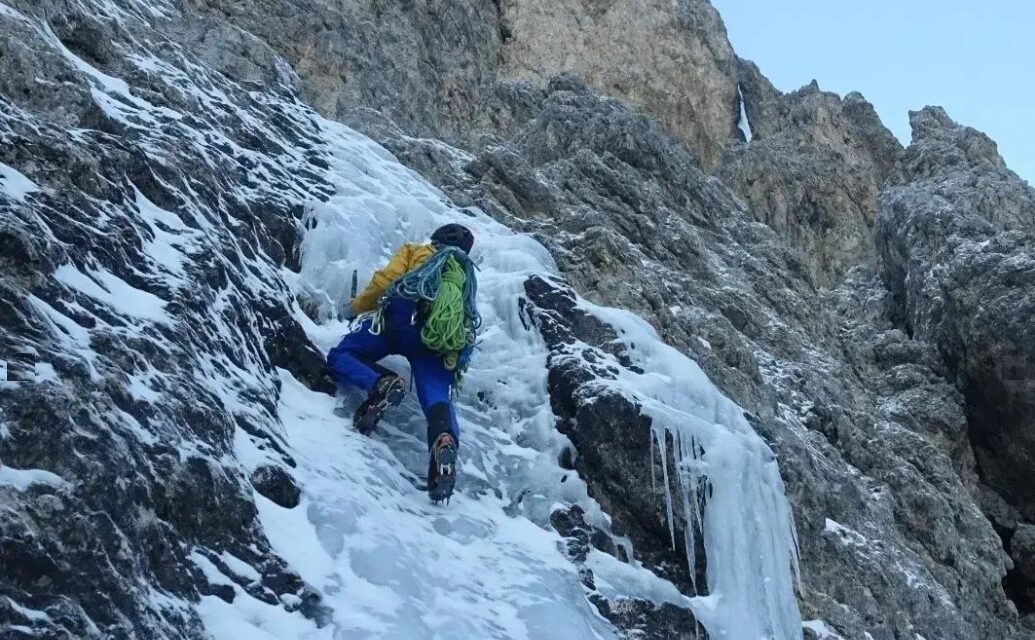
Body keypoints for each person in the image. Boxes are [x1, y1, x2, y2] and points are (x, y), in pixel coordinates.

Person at [326, 223, 478, 503]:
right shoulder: (464, 275)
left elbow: (387, 280)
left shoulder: (415, 250)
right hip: (438, 340)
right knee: (436, 397)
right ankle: (443, 442)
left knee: (342, 355)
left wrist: (356, 307)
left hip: (401, 319)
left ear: (436, 238)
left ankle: (381, 383)